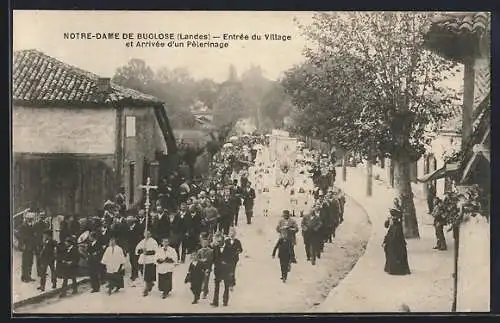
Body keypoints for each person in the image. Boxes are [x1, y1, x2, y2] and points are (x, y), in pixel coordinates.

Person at [382, 208, 411, 275]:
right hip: (396, 244)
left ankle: (396, 269)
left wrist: (387, 242)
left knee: (395, 254)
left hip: (397, 245)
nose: (390, 219)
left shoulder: (396, 226)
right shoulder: (394, 225)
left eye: (391, 217)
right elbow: (387, 228)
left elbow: (393, 236)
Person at [136, 230, 160, 296]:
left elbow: (156, 251)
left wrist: (148, 252)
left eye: (148, 234)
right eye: (145, 234)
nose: (146, 235)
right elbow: (137, 250)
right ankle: (150, 284)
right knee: (143, 274)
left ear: (150, 234)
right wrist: (141, 251)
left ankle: (146, 288)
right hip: (142, 260)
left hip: (150, 260)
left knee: (148, 275)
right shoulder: (142, 241)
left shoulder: (153, 241)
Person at [211, 235, 232, 307]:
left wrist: (227, 264)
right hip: (218, 270)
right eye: (218, 241)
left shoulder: (229, 248)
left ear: (223, 241)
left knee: (226, 286)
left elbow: (231, 259)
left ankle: (225, 301)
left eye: (220, 241)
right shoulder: (215, 248)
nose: (219, 242)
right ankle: (215, 302)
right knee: (216, 286)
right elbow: (213, 259)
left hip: (226, 270)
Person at [18, 213, 37, 282]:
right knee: (25, 262)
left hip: (31, 247)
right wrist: (22, 245)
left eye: (31, 219)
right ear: (26, 219)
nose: (30, 220)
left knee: (30, 262)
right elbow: (21, 237)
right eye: (29, 219)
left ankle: (29, 276)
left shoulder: (32, 226)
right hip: (26, 247)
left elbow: (34, 236)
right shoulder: (22, 227)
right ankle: (24, 277)